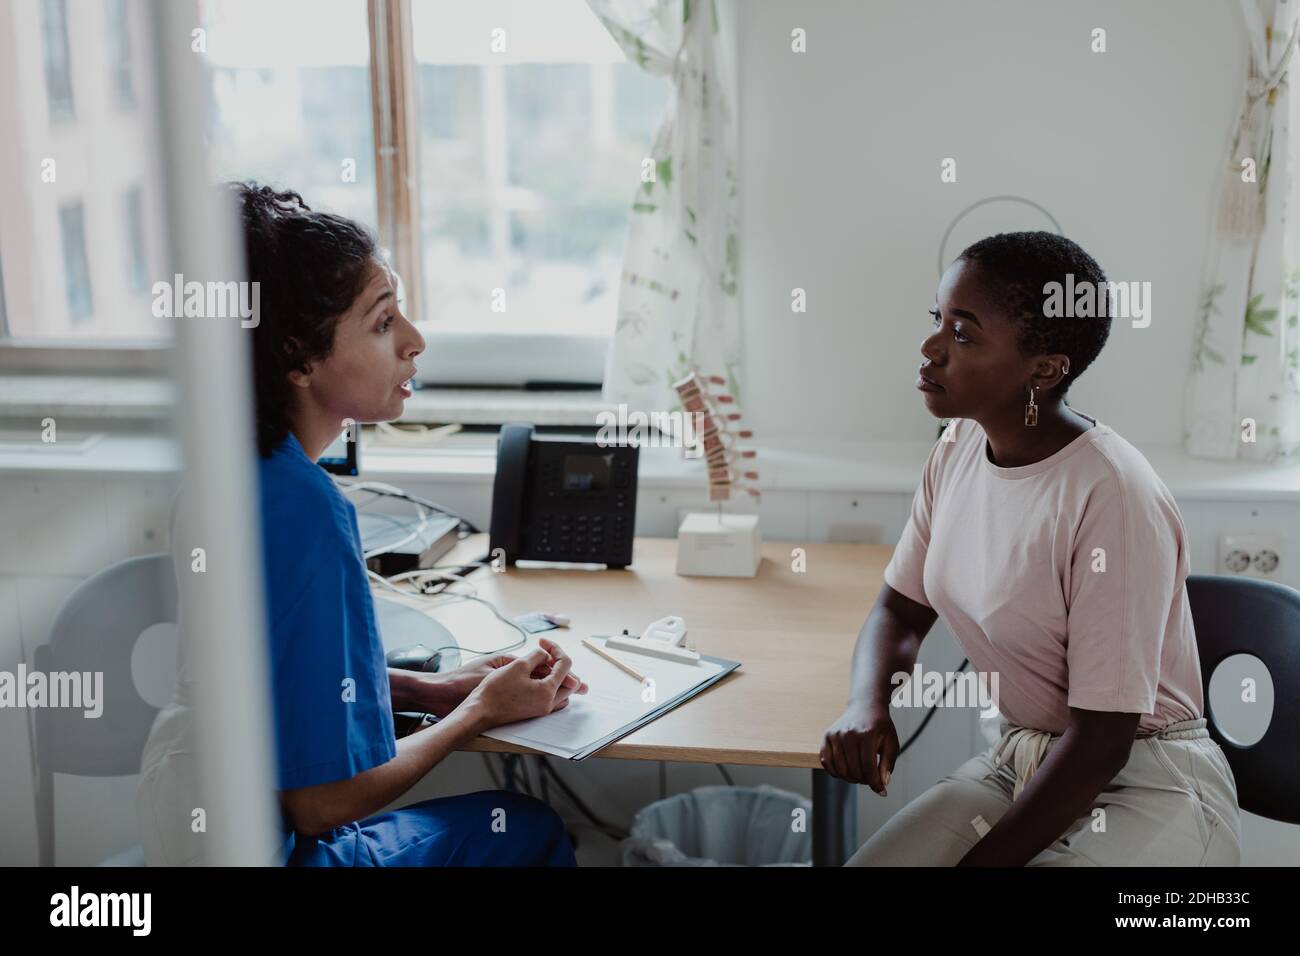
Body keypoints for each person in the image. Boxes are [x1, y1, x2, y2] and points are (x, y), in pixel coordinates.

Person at [138, 183, 585, 866]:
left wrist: (426, 691)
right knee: (521, 824)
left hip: (184, 826)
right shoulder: (309, 509)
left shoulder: (222, 476)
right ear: (296, 358)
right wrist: (478, 714)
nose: (414, 341)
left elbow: (264, 683)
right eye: (382, 323)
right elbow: (322, 804)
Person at [822, 231, 1242, 866]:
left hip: (1148, 781)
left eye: (963, 334)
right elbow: (899, 611)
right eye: (938, 319)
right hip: (1024, 761)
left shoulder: (1114, 497)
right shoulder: (958, 448)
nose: (931, 348)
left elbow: (1103, 739)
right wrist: (867, 703)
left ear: (1044, 369)